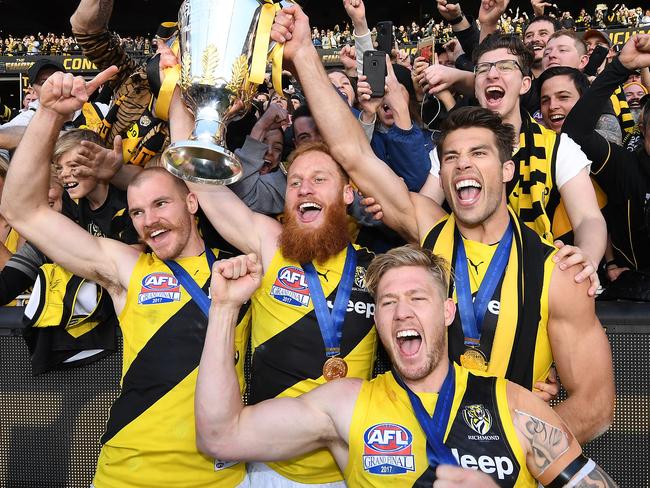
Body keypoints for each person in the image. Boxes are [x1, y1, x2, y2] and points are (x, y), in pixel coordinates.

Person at [269, 4, 614, 444]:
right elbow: (353, 152)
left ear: (507, 170)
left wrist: (513, 451)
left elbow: (595, 404)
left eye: (479, 154)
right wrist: (303, 53)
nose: (462, 165)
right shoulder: (429, 231)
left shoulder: (555, 271)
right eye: (451, 157)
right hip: (422, 459)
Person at [0, 68, 249, 487]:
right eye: (137, 212)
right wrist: (48, 116)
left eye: (160, 204)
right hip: (126, 473)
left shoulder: (241, 270)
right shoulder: (128, 269)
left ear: (192, 202)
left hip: (219, 478)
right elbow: (23, 210)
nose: (149, 221)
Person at [194, 246, 618, 487]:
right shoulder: (346, 405)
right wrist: (225, 309)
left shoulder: (515, 406)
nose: (401, 313)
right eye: (388, 303)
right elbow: (219, 436)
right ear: (376, 318)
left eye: (418, 298)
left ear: (448, 312)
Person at [170, 87, 378, 486]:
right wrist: (179, 91)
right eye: (295, 182)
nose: (305, 189)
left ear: (348, 193)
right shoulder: (270, 242)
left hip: (351, 469)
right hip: (270, 470)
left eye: (320, 179)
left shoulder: (374, 268)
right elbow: (201, 183)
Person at [421, 34, 606, 292]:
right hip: (466, 284)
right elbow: (423, 209)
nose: (493, 74)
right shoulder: (451, 147)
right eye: (483, 69)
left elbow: (588, 218)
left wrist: (587, 255)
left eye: (506, 67)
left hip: (534, 282)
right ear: (476, 86)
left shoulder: (558, 147)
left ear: (525, 84)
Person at [562, 34, 650, 281]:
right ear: (643, 130)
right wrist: (619, 68)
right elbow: (576, 132)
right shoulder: (626, 165)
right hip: (633, 295)